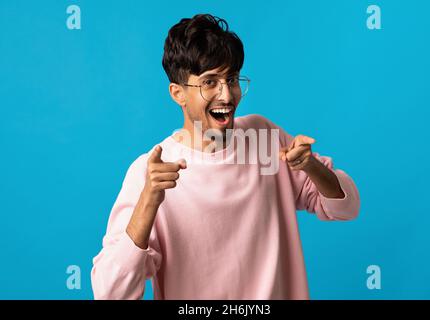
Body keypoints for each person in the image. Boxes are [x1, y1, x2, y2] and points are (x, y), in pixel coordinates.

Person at [91, 13, 360, 300]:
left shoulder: (264, 137)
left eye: (231, 79)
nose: (227, 95)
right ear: (178, 93)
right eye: (209, 82)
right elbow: (111, 294)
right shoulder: (152, 173)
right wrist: (148, 201)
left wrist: (310, 166)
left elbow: (346, 208)